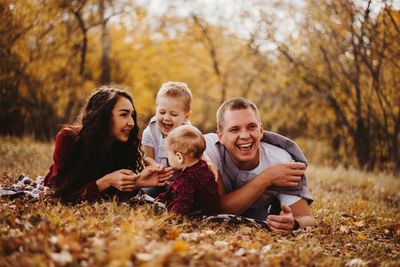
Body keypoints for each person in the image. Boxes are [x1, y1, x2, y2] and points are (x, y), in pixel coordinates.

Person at [43, 85, 173, 203]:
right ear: (103, 116)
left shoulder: (122, 146)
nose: (132, 123)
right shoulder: (68, 138)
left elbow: (112, 198)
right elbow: (59, 195)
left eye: (132, 115)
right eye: (123, 115)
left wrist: (137, 182)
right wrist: (106, 181)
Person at [204, 98, 315, 232]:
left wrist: (294, 223)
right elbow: (217, 209)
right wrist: (268, 177)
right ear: (220, 136)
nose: (245, 136)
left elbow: (307, 218)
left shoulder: (281, 161)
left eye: (252, 127)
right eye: (234, 129)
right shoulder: (206, 150)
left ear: (261, 130)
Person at [141, 81, 192, 196]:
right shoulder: (150, 132)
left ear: (186, 116)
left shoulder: (189, 136)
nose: (166, 118)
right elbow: (147, 158)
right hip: (157, 180)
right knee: (150, 191)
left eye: (174, 114)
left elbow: (193, 164)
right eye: (162, 112)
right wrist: (157, 167)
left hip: (181, 181)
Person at [156, 125, 219, 215]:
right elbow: (174, 191)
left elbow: (181, 205)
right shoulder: (203, 166)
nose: (167, 157)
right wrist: (161, 198)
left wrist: (172, 218)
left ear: (179, 157)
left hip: (199, 212)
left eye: (168, 154)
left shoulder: (186, 180)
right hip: (210, 208)